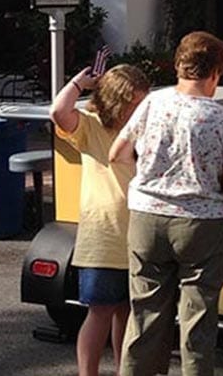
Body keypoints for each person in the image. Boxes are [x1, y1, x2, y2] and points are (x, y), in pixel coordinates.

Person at [110, 31, 223, 376]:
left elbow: (117, 154)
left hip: (147, 216)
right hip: (200, 224)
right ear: (216, 72)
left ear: (178, 67)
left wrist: (151, 176)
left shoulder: (152, 103)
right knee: (198, 318)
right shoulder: (222, 119)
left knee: (145, 313)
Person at [50, 63, 151, 376]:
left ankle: (125, 370)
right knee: (100, 312)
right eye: (135, 103)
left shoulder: (143, 130)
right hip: (104, 236)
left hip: (138, 234)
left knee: (126, 312)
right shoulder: (91, 126)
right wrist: (79, 83)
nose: (140, 110)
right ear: (116, 102)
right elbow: (58, 111)